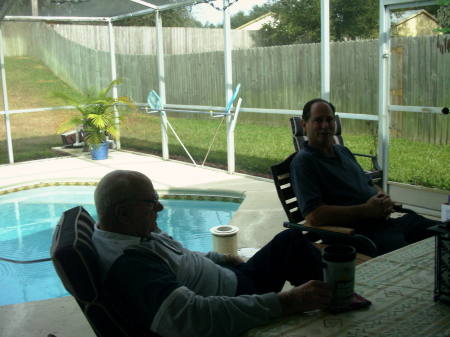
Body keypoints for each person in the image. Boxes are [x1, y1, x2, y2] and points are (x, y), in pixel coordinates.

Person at [92, 170, 332, 337]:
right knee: (292, 246)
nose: (160, 207)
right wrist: (288, 301)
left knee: (289, 241)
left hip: (234, 274)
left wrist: (224, 258)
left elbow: (182, 255)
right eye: (151, 202)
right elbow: (194, 319)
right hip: (236, 295)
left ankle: (331, 296)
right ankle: (336, 304)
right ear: (123, 213)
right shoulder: (131, 265)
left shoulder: (128, 231)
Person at [290, 98, 439, 256]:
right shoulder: (304, 162)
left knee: (441, 231)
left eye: (329, 119)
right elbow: (314, 217)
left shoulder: (342, 151)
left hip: (386, 224)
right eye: (318, 120)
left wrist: (382, 196)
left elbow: (368, 183)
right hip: (359, 237)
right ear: (304, 126)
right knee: (419, 256)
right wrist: (366, 210)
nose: (325, 125)